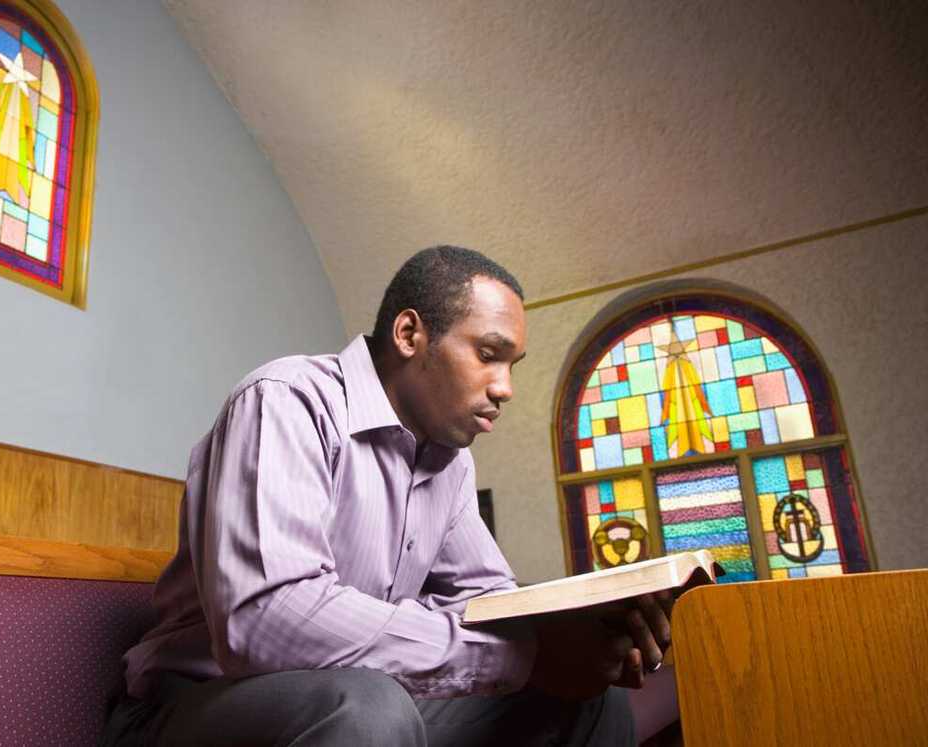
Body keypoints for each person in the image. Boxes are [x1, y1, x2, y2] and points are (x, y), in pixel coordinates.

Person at [105, 246, 671, 746]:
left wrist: (577, 630)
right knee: (369, 708)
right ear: (409, 335)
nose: (505, 388)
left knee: (587, 703)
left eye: (511, 365)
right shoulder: (286, 400)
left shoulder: (449, 463)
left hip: (352, 697)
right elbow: (265, 619)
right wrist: (523, 656)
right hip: (189, 704)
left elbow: (486, 599)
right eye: (488, 354)